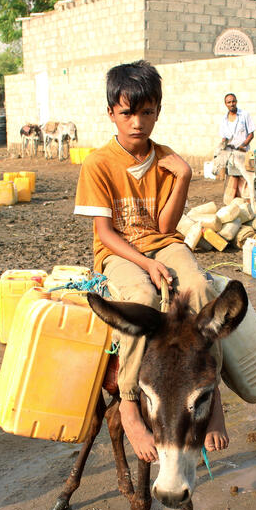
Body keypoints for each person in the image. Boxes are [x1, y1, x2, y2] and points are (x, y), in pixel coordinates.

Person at [73, 60, 228, 462]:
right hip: (120, 251)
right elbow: (105, 233)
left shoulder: (167, 158)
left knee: (200, 289)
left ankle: (216, 401)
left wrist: (185, 178)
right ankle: (127, 402)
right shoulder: (97, 164)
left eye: (146, 112)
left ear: (158, 110)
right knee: (141, 300)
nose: (137, 122)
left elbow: (164, 224)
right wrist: (144, 263)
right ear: (111, 113)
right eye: (127, 112)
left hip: (163, 241)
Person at [218, 93, 255, 198]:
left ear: (236, 102)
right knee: (232, 179)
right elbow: (224, 138)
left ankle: (248, 204)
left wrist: (243, 146)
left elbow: (251, 134)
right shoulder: (224, 120)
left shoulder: (244, 115)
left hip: (244, 153)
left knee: (246, 179)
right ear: (225, 104)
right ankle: (234, 206)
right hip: (231, 155)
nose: (231, 104)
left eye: (233, 101)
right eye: (229, 102)